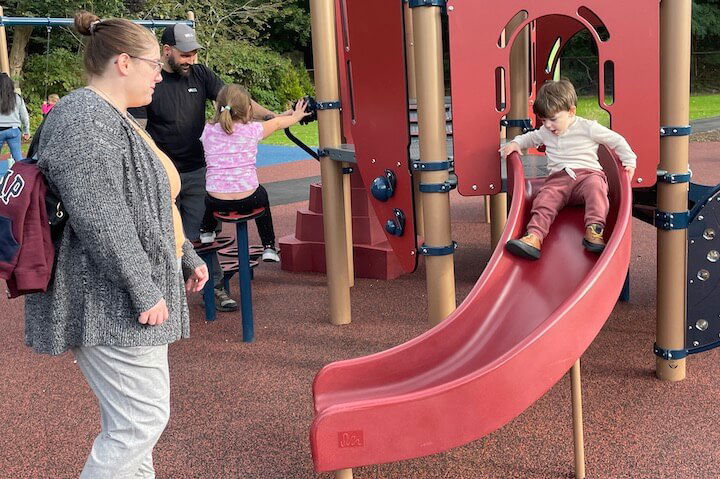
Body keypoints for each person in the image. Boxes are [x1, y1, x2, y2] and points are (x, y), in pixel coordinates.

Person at [25, 11, 209, 478]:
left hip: (119, 297)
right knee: (138, 423)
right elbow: (102, 216)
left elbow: (145, 203)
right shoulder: (84, 118)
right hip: (106, 301)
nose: (158, 75)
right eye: (152, 65)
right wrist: (143, 287)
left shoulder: (113, 117)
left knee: (133, 426)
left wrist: (182, 254)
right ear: (124, 63)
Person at [128, 23, 285, 312]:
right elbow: (139, 130)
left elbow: (236, 103)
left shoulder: (200, 74)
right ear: (167, 51)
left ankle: (214, 289)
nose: (191, 60)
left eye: (195, 53)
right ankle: (160, 295)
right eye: (185, 54)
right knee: (161, 234)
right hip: (164, 174)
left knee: (202, 235)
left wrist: (274, 116)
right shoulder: (151, 80)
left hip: (199, 171)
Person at [501, 79, 637, 260]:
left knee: (596, 188)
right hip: (558, 180)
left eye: (553, 119)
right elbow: (530, 138)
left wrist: (630, 161)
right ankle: (534, 237)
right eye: (543, 120)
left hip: (587, 176)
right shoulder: (545, 131)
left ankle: (594, 231)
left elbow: (617, 140)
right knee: (545, 199)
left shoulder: (588, 128)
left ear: (571, 111)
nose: (548, 125)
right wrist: (516, 143)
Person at [198, 85, 310, 261]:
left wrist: (287, 112)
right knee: (262, 197)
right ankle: (269, 247)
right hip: (248, 198)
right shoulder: (253, 130)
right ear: (249, 109)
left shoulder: (208, 130)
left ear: (217, 106)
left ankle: (207, 230)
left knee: (209, 195)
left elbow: (275, 120)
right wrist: (295, 115)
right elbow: (277, 123)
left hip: (217, 201)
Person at [0, 72, 30, 174]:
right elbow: (24, 116)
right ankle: (23, 177)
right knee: (18, 158)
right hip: (13, 130)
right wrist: (26, 130)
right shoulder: (17, 97)